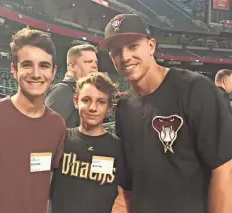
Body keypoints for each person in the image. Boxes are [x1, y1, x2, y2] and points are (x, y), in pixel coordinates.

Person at [98, 14, 232, 213]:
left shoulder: (195, 89)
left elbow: (223, 169)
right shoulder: (125, 107)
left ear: (151, 46)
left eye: (133, 46)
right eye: (116, 51)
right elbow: (129, 185)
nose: (125, 57)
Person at [0, 28, 66, 213]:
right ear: (14, 70)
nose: (35, 73)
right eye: (26, 65)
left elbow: (45, 184)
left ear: (53, 71)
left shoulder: (57, 125)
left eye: (43, 65)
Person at [50, 72, 130, 213]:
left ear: (109, 107)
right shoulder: (60, 139)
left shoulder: (118, 148)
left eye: (101, 101)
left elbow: (129, 192)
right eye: (86, 100)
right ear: (76, 102)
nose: (93, 108)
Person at [45, 44, 98, 127]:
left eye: (96, 62)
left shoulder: (78, 91)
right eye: (88, 62)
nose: (95, 66)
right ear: (72, 66)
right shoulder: (62, 90)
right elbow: (44, 131)